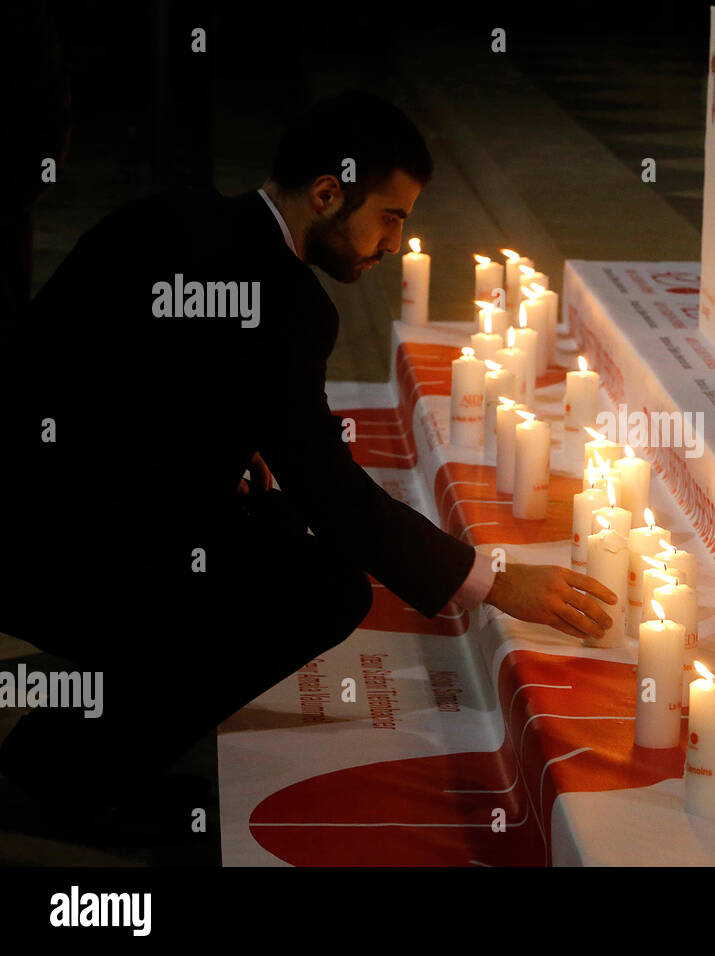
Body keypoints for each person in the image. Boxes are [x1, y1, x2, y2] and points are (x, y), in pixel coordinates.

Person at [0, 92, 614, 828]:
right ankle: (67, 771)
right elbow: (333, 492)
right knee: (321, 588)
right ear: (329, 193)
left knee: (268, 523)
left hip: (26, 506)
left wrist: (213, 451)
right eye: (390, 216)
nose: (392, 245)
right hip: (57, 554)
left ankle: (71, 736)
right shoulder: (287, 303)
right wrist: (495, 581)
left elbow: (90, 370)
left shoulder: (167, 216)